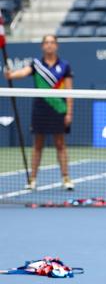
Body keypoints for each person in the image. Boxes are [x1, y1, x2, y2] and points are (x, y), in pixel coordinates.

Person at [3, 34, 74, 190]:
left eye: (52, 42)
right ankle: (32, 179)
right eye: (46, 42)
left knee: (60, 144)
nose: (49, 45)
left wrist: (69, 112)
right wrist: (11, 75)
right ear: (42, 46)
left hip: (59, 109)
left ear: (56, 45)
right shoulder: (36, 64)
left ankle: (66, 178)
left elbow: (69, 91)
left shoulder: (64, 65)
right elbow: (22, 73)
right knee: (37, 145)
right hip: (40, 109)